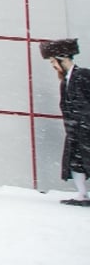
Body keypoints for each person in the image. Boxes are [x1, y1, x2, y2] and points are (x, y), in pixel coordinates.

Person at [40, 38, 90, 207]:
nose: (53, 65)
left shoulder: (83, 75)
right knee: (76, 162)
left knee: (85, 159)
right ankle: (82, 194)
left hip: (85, 128)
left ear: (64, 59)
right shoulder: (65, 81)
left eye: (54, 61)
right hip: (76, 130)